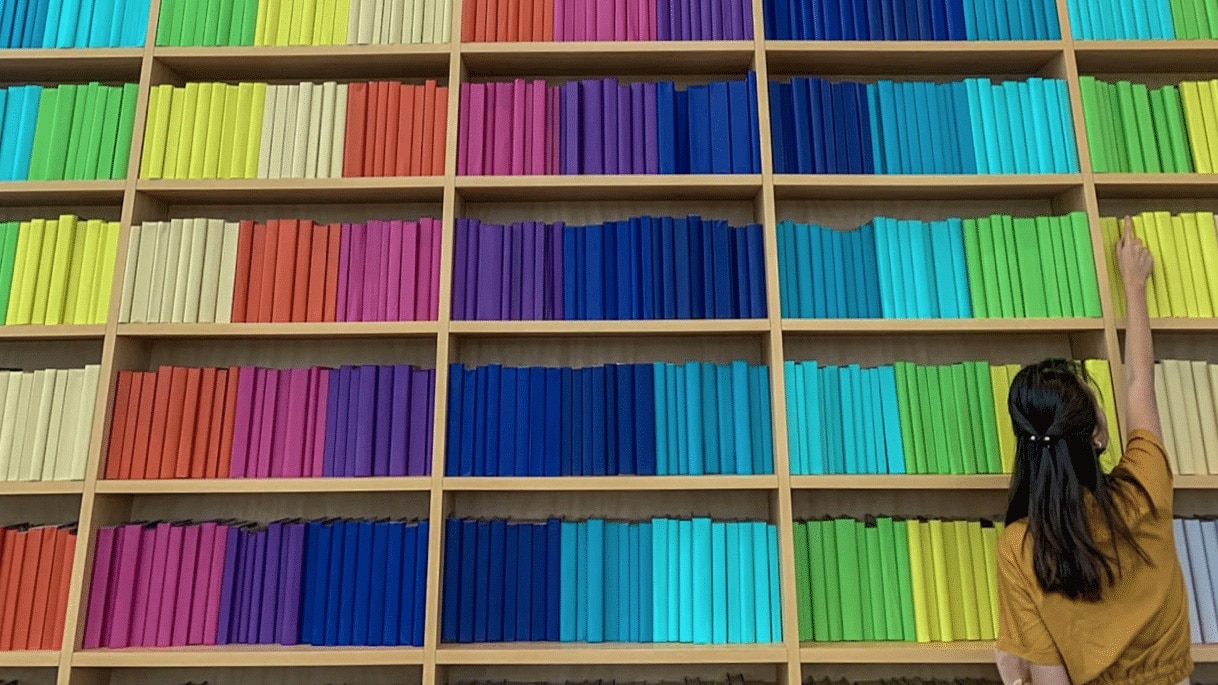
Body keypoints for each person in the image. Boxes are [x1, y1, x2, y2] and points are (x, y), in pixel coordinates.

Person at [994, 216, 1193, 685]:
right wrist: (1134, 286)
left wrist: (1014, 676)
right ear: (1099, 437)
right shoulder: (1146, 486)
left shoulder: (1021, 550)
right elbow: (1140, 381)